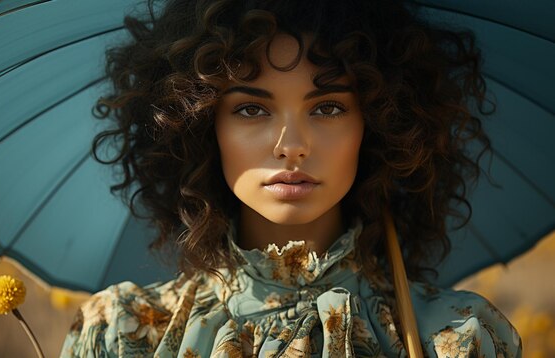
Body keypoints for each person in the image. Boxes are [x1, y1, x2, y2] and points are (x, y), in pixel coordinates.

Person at [60, 0, 522, 356]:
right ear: (203, 126)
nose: (291, 144)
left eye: (327, 107)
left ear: (377, 123)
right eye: (251, 108)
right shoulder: (119, 333)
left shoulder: (460, 338)